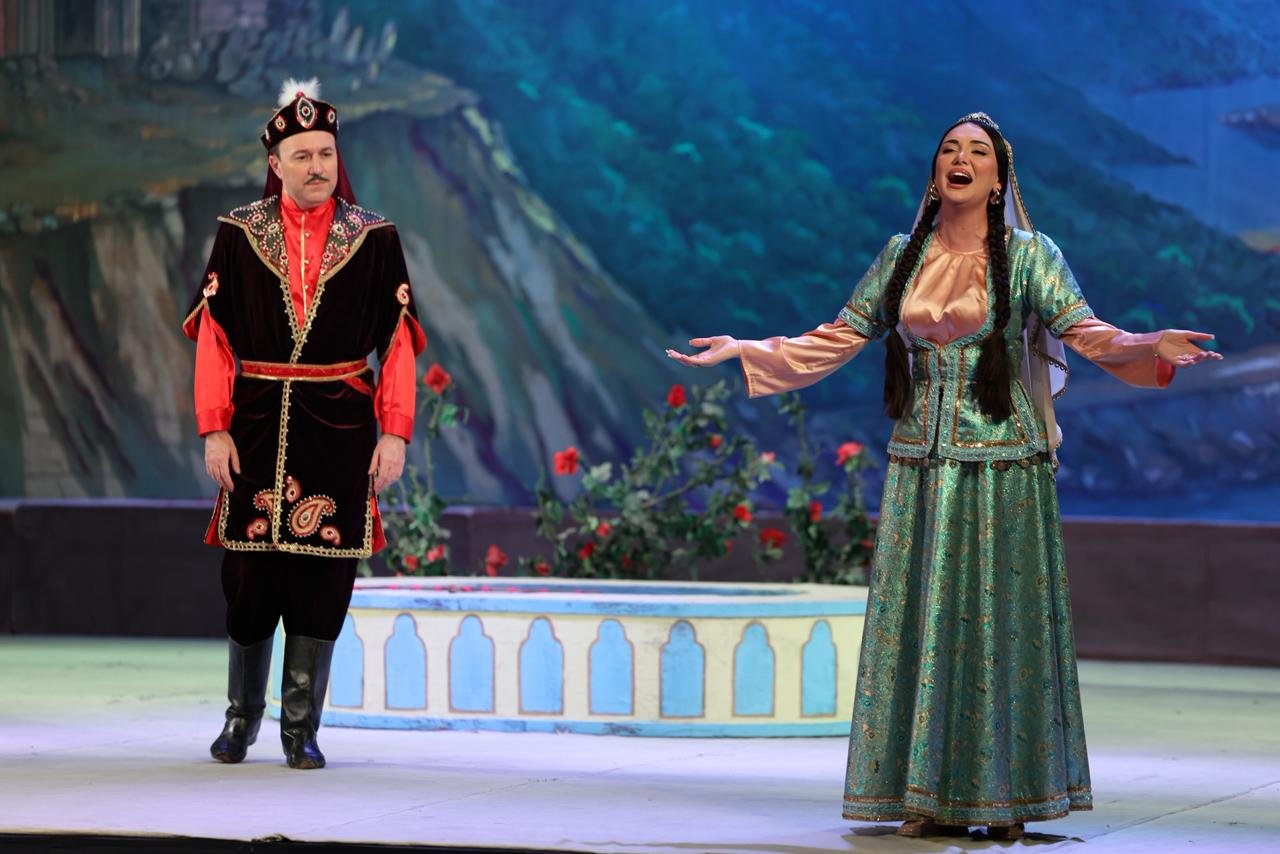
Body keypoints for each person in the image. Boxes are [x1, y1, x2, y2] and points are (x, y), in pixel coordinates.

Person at [667, 112, 1220, 838]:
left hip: (1001, 464)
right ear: (935, 173)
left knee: (999, 624)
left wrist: (1150, 344)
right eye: (950, 149)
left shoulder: (1030, 255)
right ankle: (923, 795)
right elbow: (840, 334)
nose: (961, 159)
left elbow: (1084, 331)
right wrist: (748, 349)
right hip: (921, 465)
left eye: (977, 152)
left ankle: (1008, 797)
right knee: (920, 629)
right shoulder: (903, 254)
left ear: (997, 181)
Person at [182, 78, 426, 769]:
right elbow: (213, 337)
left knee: (325, 577)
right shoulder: (240, 233)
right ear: (276, 163)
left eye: (325, 153)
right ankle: (241, 719)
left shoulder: (374, 237)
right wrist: (214, 426)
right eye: (302, 155)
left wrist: (395, 432)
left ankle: (300, 728)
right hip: (255, 423)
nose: (317, 166)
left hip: (340, 426)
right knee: (249, 575)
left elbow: (398, 342)